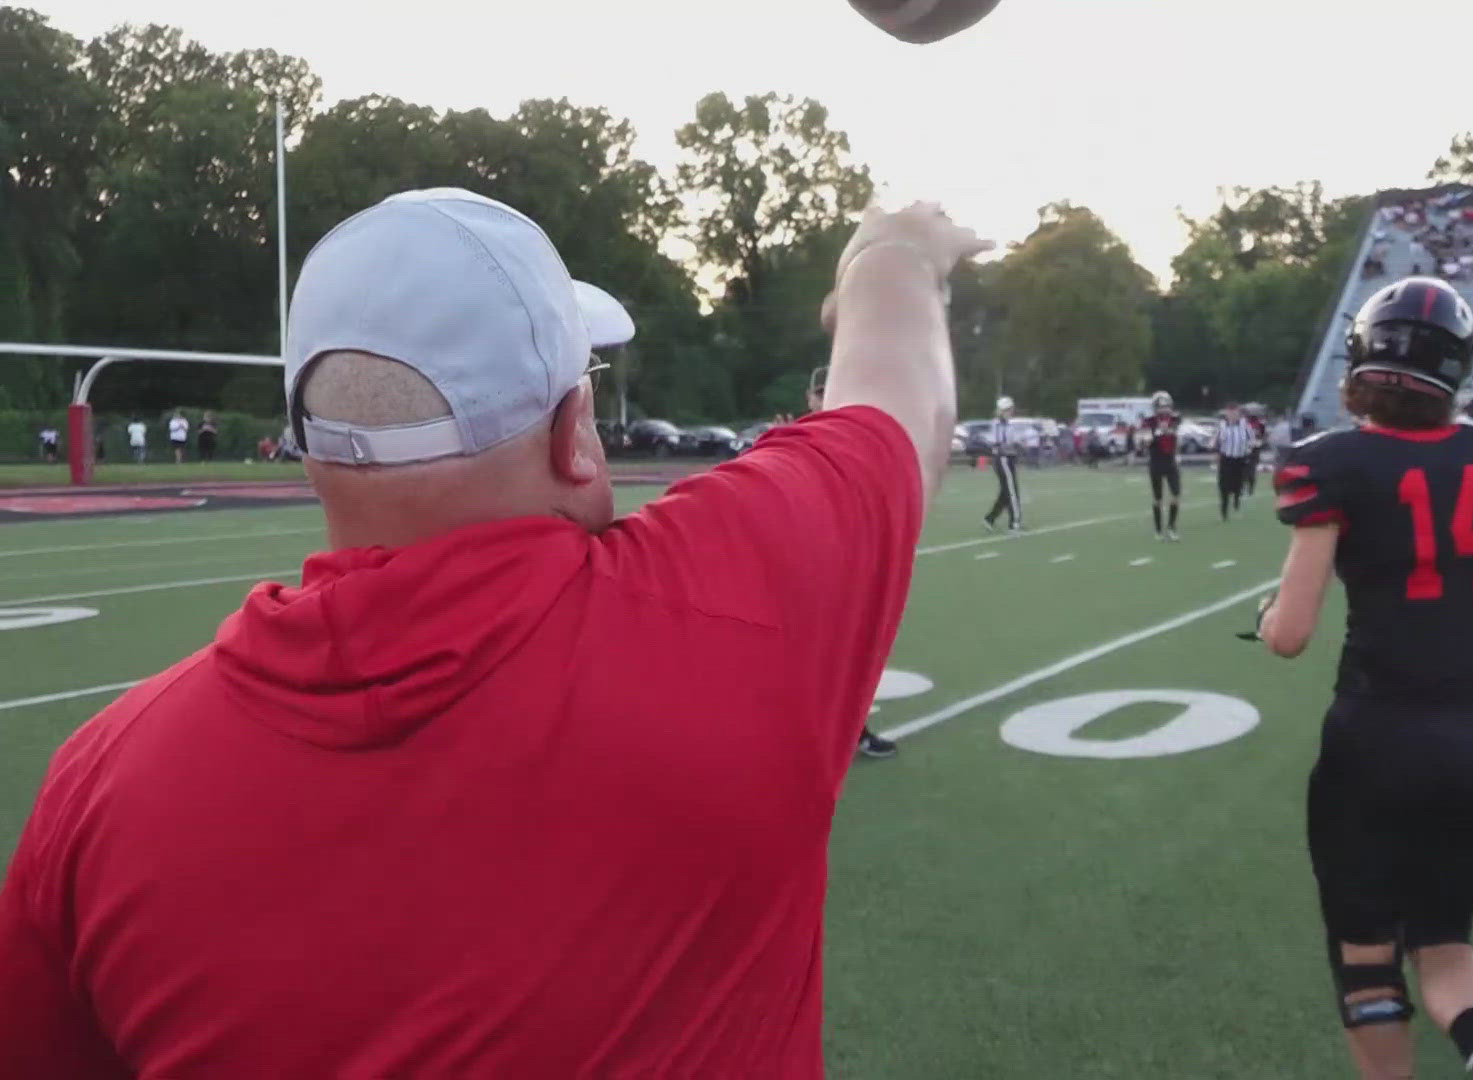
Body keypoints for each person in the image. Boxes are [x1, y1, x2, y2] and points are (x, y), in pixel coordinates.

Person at [0, 189, 986, 1077]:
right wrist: (890, 252)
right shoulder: (732, 603)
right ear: (576, 430)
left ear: (311, 452)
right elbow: (900, 399)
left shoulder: (98, 792)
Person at [1265, 275, 1473, 1080]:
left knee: (1367, 955)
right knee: (1447, 940)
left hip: (1374, 735)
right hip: (1471, 737)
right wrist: (1458, 650)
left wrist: (1264, 618)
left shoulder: (1331, 462)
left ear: (1361, 357)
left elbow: (1289, 635)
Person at [807, 364, 900, 762]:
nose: (829, 396)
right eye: (822, 390)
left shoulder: (856, 438)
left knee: (849, 652)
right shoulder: (792, 439)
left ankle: (852, 731)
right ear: (811, 397)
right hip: (803, 562)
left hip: (846, 560)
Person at [1139, 389, 1182, 540]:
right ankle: (1158, 529)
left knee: (1175, 494)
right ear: (1155, 408)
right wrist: (1156, 433)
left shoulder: (1175, 419)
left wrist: (1166, 431)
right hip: (1156, 461)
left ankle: (1171, 527)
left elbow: (1175, 433)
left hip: (1170, 460)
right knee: (1157, 498)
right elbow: (1145, 440)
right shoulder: (1148, 421)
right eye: (1161, 406)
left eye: (1167, 406)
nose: (1165, 409)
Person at [982, 394, 1024, 532]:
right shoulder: (997, 424)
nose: (1009, 412)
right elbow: (999, 443)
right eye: (1007, 410)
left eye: (1010, 409)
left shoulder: (1009, 424)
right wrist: (1013, 445)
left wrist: (1019, 444)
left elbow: (1013, 441)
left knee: (1006, 492)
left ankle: (990, 518)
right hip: (1003, 459)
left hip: (1009, 458)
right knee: (1012, 491)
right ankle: (1015, 522)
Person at [1215, 402, 1254, 521]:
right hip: (1226, 459)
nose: (1232, 415)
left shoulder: (1244, 425)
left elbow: (1251, 439)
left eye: (1234, 412)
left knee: (1238, 485)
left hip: (1240, 459)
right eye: (1230, 412)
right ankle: (1224, 512)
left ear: (1238, 413)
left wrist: (1248, 449)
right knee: (1224, 486)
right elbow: (1217, 441)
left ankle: (1236, 502)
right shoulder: (1222, 425)